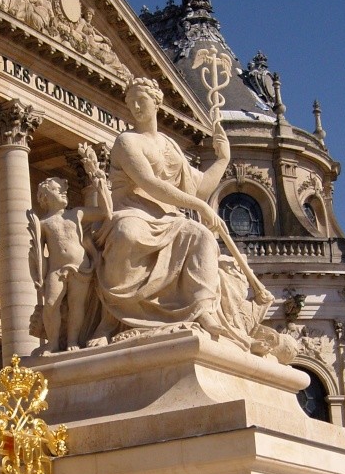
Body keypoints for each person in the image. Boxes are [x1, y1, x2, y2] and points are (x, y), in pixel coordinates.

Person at [89, 76, 274, 351]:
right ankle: (113, 312)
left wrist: (222, 159)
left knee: (200, 234)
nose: (137, 107)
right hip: (133, 210)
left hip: (168, 217)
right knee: (128, 233)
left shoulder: (169, 145)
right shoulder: (126, 141)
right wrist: (200, 207)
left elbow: (199, 187)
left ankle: (203, 310)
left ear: (157, 102)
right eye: (131, 103)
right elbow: (150, 183)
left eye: (142, 101)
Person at [27, 177, 109, 354]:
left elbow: (104, 212)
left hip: (81, 267)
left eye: (64, 190)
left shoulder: (76, 213)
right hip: (56, 270)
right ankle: (53, 343)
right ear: (45, 197)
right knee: (50, 304)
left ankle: (73, 340)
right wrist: (38, 276)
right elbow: (37, 253)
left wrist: (98, 183)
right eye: (58, 190)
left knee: (76, 305)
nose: (64, 192)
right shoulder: (43, 223)